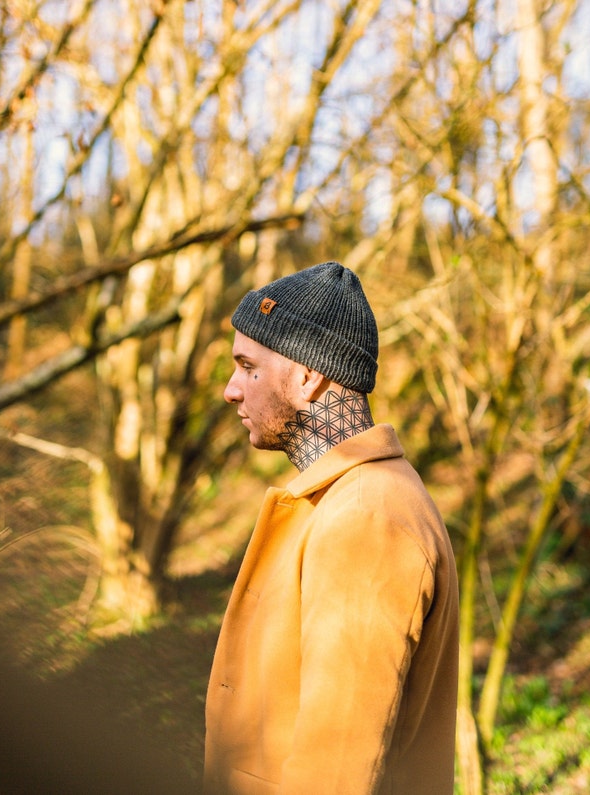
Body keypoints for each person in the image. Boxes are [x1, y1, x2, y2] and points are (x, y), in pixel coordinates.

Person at [204, 261, 459, 795]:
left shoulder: (368, 518)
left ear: (307, 376)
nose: (231, 390)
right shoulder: (345, 500)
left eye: (248, 367)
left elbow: (336, 766)